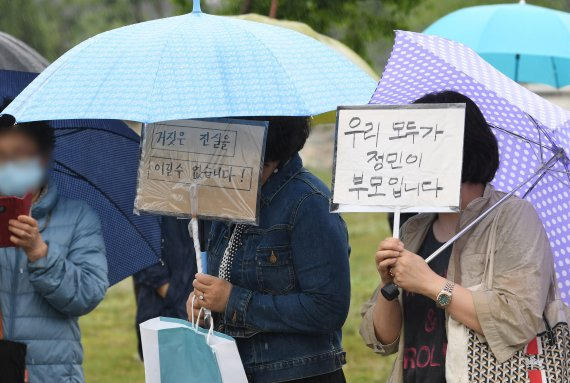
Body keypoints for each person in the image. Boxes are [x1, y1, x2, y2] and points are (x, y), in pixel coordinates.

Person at [359, 91, 555, 383]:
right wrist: (389, 285)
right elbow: (383, 340)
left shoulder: (513, 216)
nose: (407, 161)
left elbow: (518, 319)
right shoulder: (414, 228)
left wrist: (430, 283)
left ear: (456, 148)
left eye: (418, 147)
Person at [187, 116, 351, 383]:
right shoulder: (225, 196)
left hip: (297, 374)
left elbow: (328, 308)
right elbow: (224, 277)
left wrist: (233, 301)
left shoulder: (310, 203)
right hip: (234, 371)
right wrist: (203, 304)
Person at [0, 111, 108, 383]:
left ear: (43, 157)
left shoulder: (79, 217)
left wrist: (40, 253)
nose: (8, 165)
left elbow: (89, 293)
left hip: (52, 372)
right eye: (1, 156)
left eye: (19, 155)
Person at [133, 217, 210, 359]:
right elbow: (138, 244)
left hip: (202, 309)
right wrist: (168, 291)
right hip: (162, 309)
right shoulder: (149, 201)